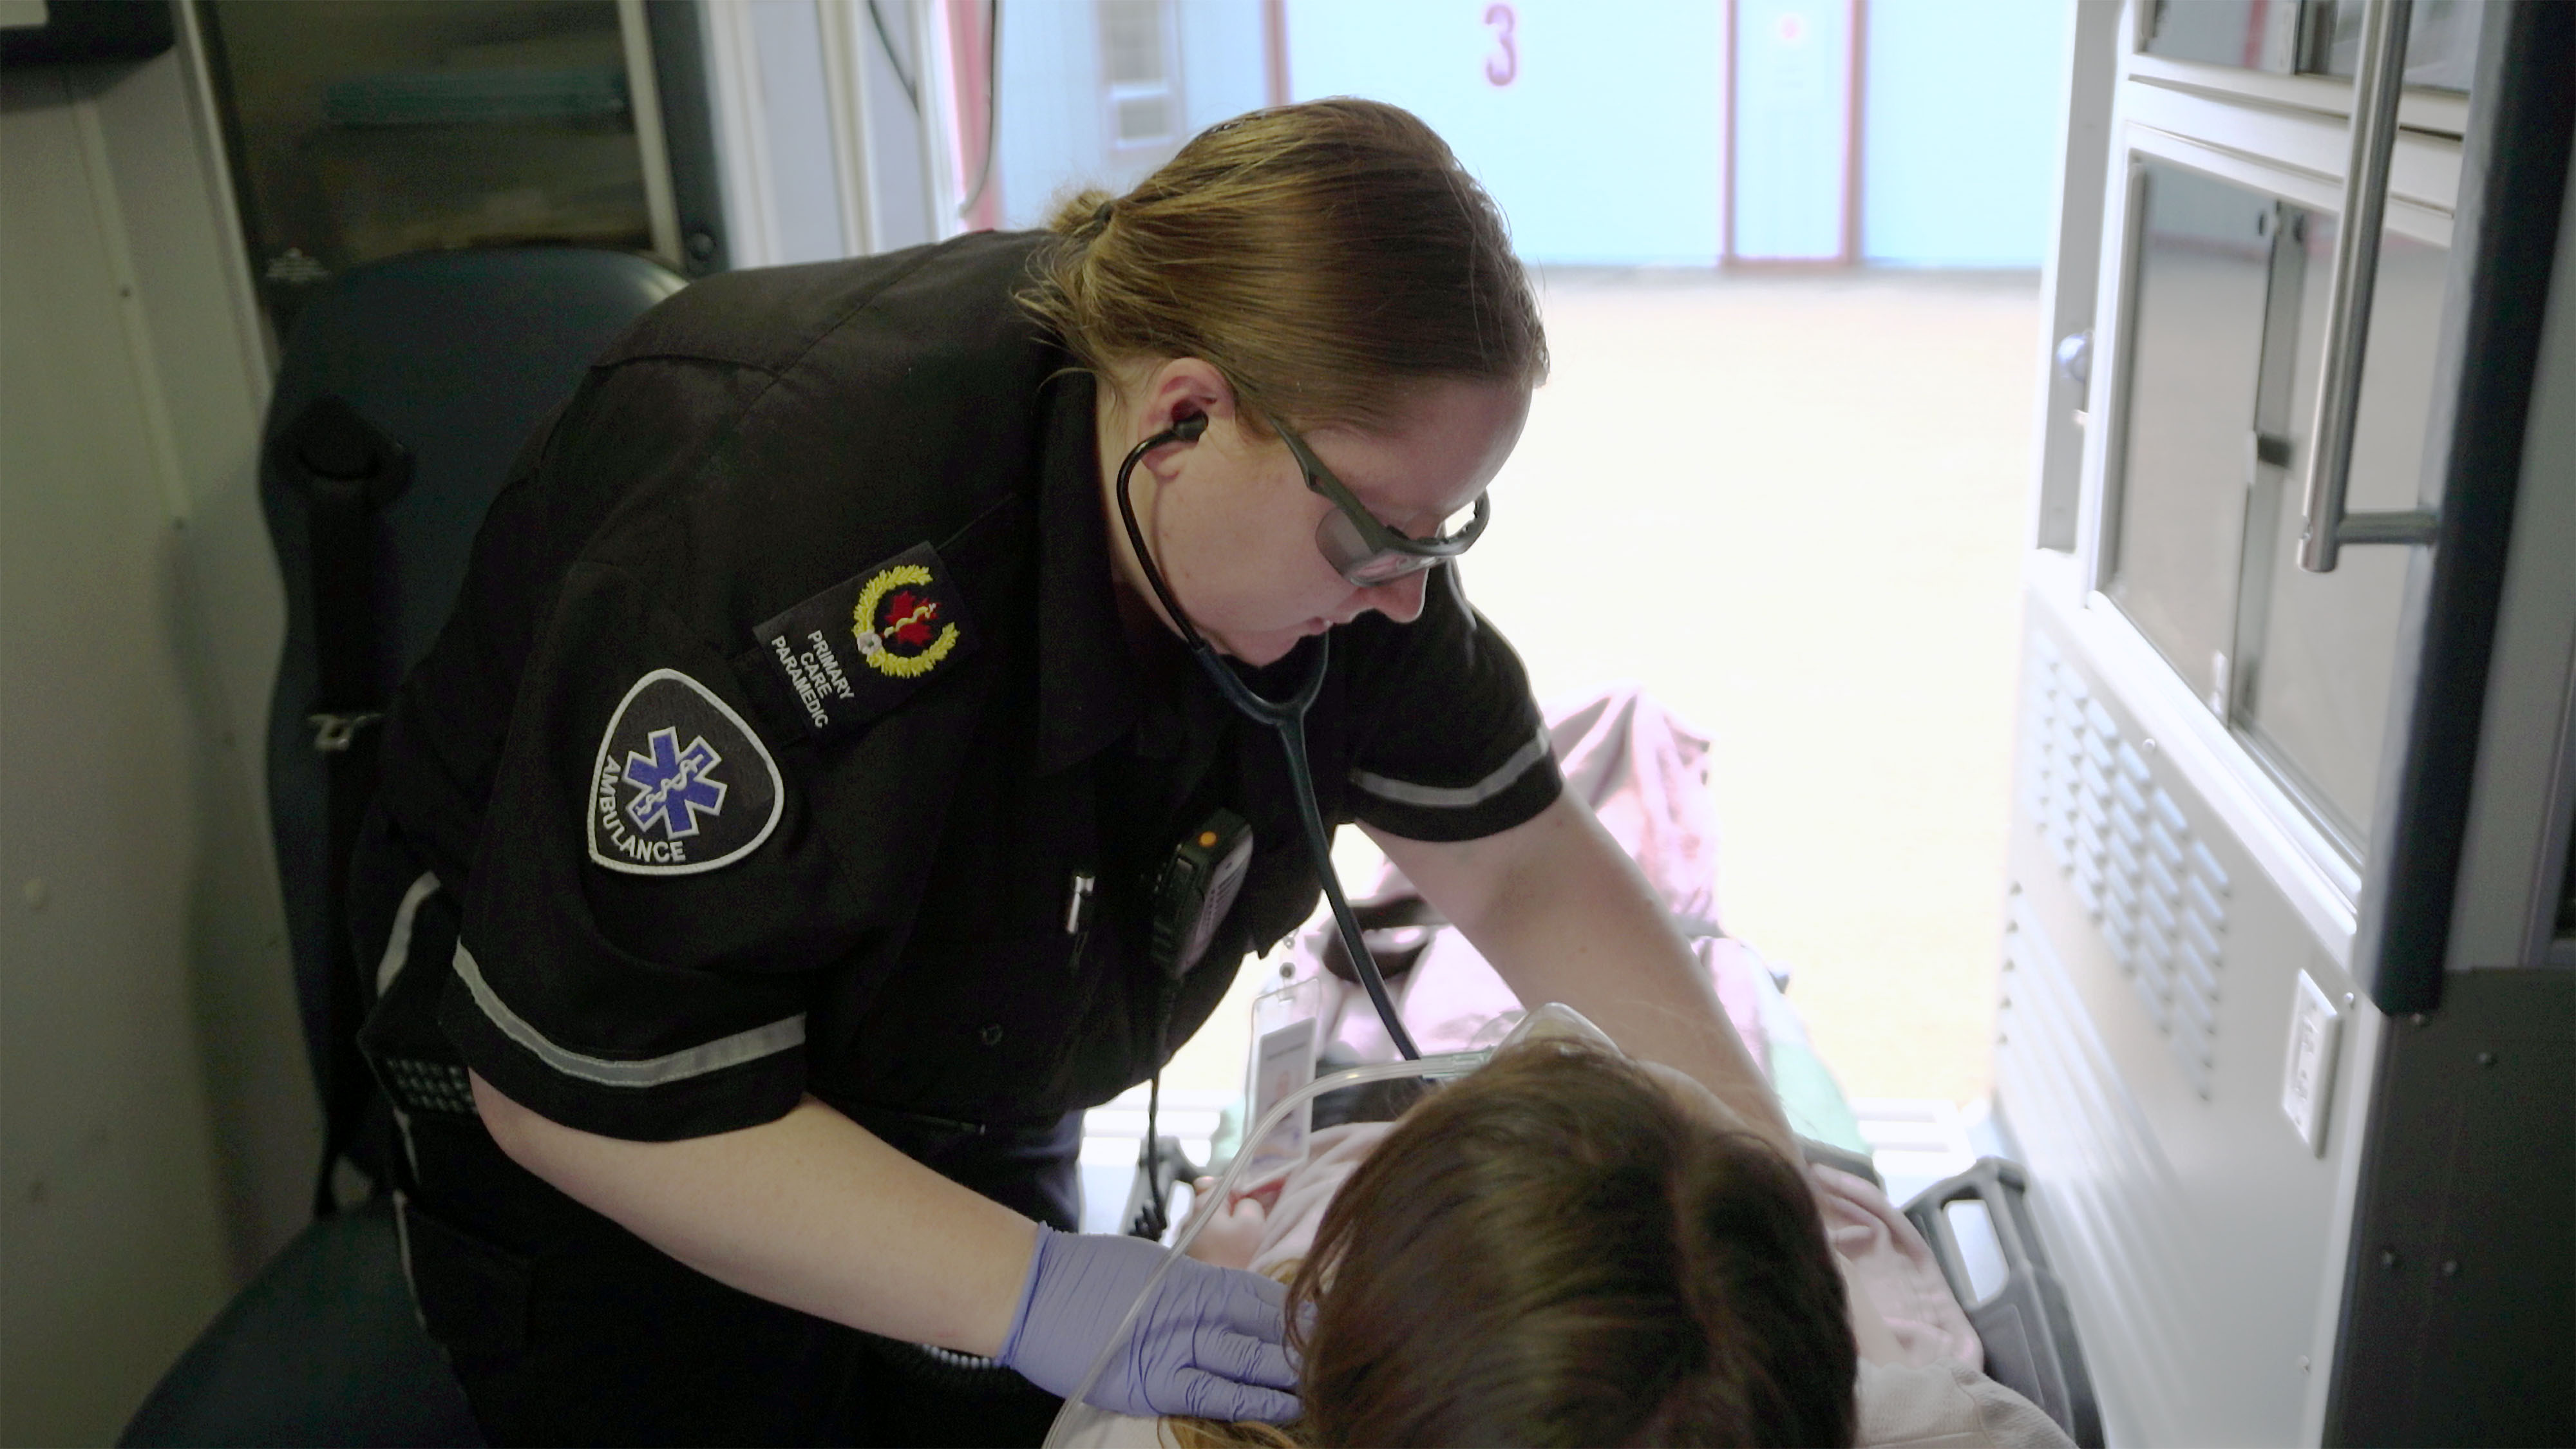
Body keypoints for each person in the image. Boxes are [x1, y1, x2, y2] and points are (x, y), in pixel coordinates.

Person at [350, 98, 1795, 1446]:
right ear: (1182, 415)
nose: (1406, 600)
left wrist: (1777, 1204)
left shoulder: (1336, 540)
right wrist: (1039, 1294)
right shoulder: (779, 537)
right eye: (1374, 536)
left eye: (1443, 534)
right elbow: (582, 1089)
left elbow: (1523, 863)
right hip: (622, 1128)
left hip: (963, 1064)